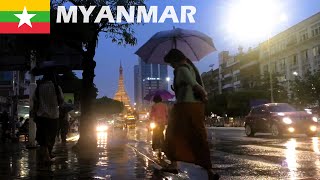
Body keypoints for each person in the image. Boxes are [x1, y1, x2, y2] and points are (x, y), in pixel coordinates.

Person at [163, 49, 219, 179]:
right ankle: (209, 170)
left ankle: (173, 164)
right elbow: (191, 85)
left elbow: (195, 85)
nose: (171, 65)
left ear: (175, 59)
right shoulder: (190, 67)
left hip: (184, 107)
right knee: (198, 137)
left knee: (172, 134)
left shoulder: (181, 69)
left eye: (171, 62)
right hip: (195, 107)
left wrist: (204, 94)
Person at [33, 72, 64, 166]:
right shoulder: (56, 87)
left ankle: (46, 155)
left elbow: (35, 101)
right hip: (53, 116)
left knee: (42, 137)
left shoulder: (38, 87)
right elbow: (61, 100)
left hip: (41, 116)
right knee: (51, 137)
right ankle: (47, 157)